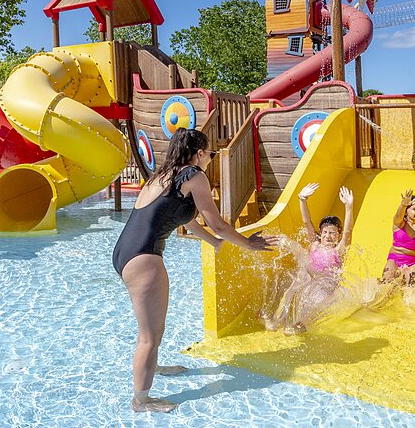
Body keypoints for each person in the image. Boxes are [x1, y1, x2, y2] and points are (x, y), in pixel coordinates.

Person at [113, 128, 272, 413]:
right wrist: (248, 244)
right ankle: (141, 400)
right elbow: (219, 223)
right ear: (199, 153)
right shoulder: (193, 176)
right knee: (149, 336)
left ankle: (153, 366)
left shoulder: (161, 177)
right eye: (209, 153)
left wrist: (214, 243)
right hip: (144, 259)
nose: (210, 158)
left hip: (125, 252)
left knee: (149, 330)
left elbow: (182, 219)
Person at [262, 182, 355, 334]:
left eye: (332, 233)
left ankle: (301, 325)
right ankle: (279, 320)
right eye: (325, 232)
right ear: (320, 233)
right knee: (293, 286)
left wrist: (349, 207)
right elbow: (307, 222)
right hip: (308, 279)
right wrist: (302, 199)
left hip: (325, 286)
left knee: (313, 302)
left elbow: (348, 230)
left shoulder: (339, 250)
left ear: (338, 235)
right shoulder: (315, 244)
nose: (328, 236)